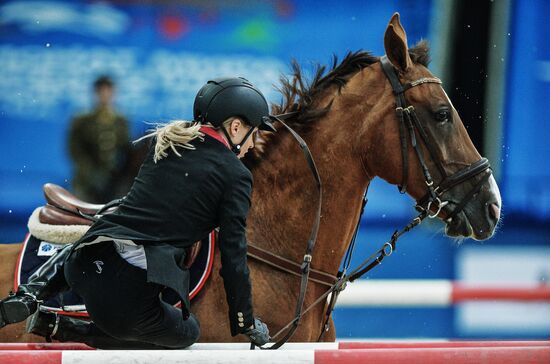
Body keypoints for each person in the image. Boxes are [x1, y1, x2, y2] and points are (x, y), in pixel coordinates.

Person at [0, 77, 273, 349]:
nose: (253, 143)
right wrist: (244, 321)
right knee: (188, 332)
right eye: (255, 132)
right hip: (120, 295)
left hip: (80, 264)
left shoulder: (165, 145)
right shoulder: (236, 175)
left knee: (117, 219)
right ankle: (62, 327)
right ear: (236, 127)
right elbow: (234, 255)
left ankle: (32, 293)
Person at [68, 75, 130, 203]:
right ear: (95, 93)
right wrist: (90, 173)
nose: (105, 95)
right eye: (101, 91)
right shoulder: (82, 120)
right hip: (86, 181)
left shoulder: (121, 121)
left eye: (108, 91)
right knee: (82, 212)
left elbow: (126, 150)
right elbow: (75, 151)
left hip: (115, 182)